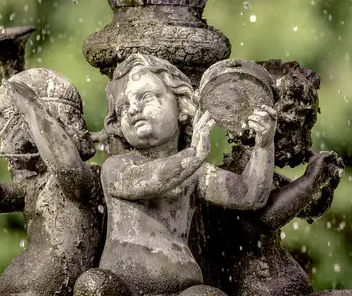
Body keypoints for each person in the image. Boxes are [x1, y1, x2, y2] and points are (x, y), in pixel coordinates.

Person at [74, 54, 277, 296]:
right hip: (121, 286)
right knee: (92, 285)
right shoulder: (117, 167)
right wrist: (193, 155)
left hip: (182, 288)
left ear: (181, 106)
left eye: (145, 97)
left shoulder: (195, 173)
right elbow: (148, 181)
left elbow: (250, 195)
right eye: (123, 107)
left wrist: (264, 146)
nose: (133, 109)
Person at [191, 60, 345, 296]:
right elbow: (265, 216)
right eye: (297, 128)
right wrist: (310, 180)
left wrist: (325, 184)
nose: (303, 141)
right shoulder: (237, 173)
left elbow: (308, 209)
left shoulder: (267, 175)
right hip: (257, 289)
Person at [0, 68, 104, 296]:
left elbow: (66, 167)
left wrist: (32, 108)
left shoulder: (88, 178)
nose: (6, 146)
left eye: (12, 124)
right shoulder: (33, 186)